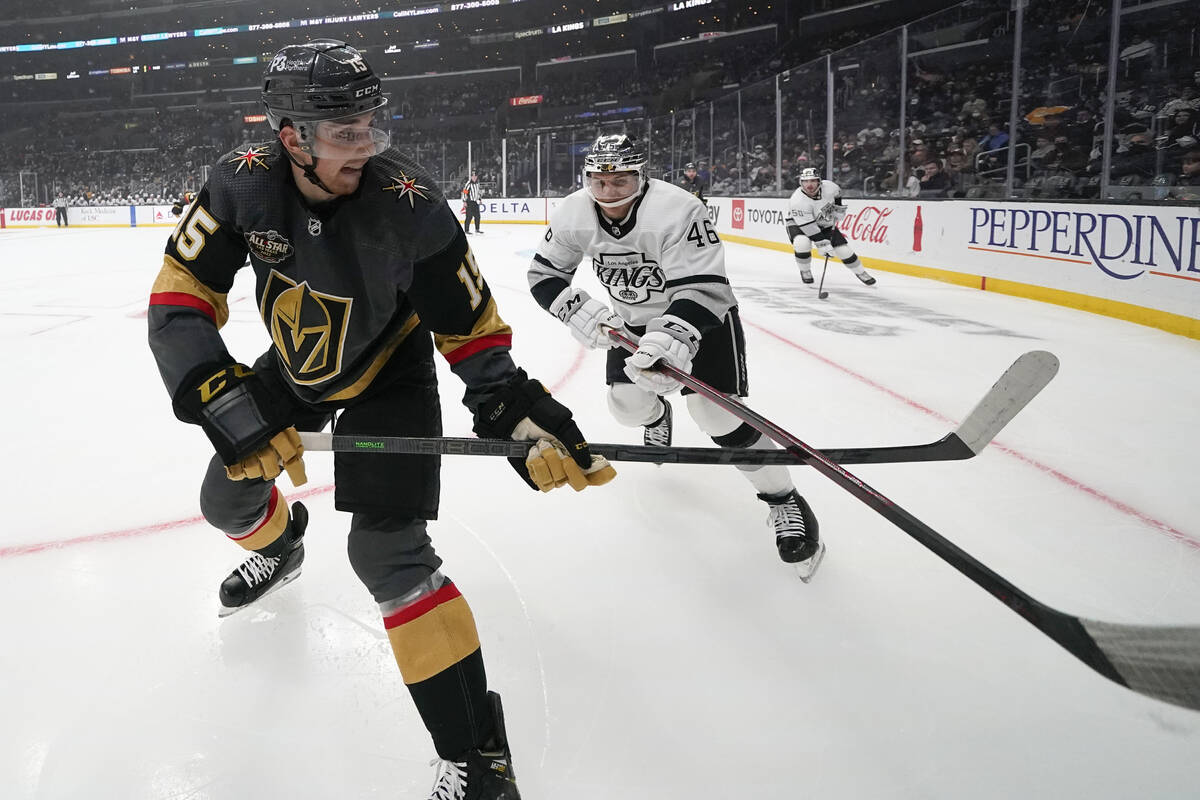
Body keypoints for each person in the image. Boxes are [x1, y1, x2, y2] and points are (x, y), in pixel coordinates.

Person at [146, 39, 614, 800]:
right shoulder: (238, 184)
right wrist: (222, 402)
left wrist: (511, 409)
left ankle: (479, 758)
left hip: (389, 374)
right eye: (344, 135)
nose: (364, 148)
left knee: (387, 556)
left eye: (371, 127)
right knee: (224, 501)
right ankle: (281, 548)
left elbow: (471, 328)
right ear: (290, 135)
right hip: (297, 363)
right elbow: (177, 303)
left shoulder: (414, 206)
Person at [526, 134, 824, 579]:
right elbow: (544, 274)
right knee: (626, 408)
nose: (609, 193)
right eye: (599, 181)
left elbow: (704, 287)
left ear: (641, 177)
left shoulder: (679, 208)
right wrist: (574, 308)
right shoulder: (573, 211)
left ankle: (783, 499)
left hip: (700, 320)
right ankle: (655, 417)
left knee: (717, 416)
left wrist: (675, 335)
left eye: (621, 180)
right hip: (631, 325)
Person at [785, 167, 875, 286]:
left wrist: (837, 208)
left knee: (844, 250)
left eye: (812, 181)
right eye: (805, 181)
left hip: (822, 217)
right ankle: (805, 270)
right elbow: (808, 226)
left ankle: (861, 272)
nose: (809, 185)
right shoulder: (797, 200)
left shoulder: (830, 186)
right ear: (800, 182)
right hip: (798, 223)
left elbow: (837, 195)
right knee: (802, 243)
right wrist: (822, 243)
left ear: (819, 181)